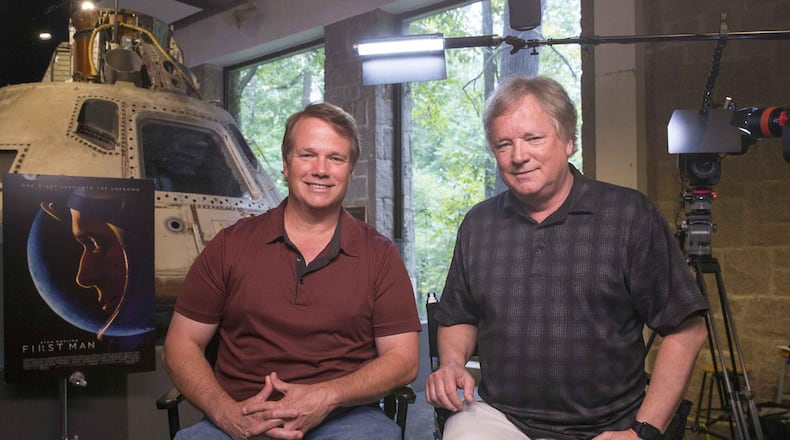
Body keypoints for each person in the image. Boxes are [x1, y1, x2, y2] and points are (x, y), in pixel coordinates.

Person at [425, 76, 709, 440]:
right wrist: (451, 364)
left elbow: (687, 329)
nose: (518, 155)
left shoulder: (629, 216)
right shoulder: (478, 225)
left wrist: (642, 432)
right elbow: (458, 316)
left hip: (610, 427)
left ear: (569, 141)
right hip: (502, 419)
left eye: (534, 138)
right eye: (504, 144)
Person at [162, 102, 421, 440]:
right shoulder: (230, 246)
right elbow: (180, 345)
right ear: (285, 165)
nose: (321, 169)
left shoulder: (380, 255)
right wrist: (226, 413)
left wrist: (326, 396)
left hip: (345, 418)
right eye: (307, 155)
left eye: (336, 158)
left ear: (350, 170)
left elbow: (404, 360)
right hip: (239, 414)